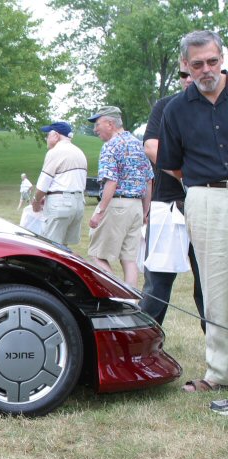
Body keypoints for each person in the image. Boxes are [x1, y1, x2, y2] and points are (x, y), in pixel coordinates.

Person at [159, 29, 228, 398]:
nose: (207, 70)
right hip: (206, 198)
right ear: (185, 65)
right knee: (216, 287)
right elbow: (172, 165)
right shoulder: (175, 109)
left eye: (213, 61)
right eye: (198, 64)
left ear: (222, 57)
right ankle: (219, 371)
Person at [140, 69, 204, 329]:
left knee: (212, 286)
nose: (189, 77)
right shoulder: (166, 106)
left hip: (210, 208)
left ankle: (219, 356)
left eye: (196, 70)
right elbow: (152, 146)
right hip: (169, 205)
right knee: (157, 285)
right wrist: (190, 175)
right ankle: (142, 351)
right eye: (184, 72)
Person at [86, 105, 152, 289]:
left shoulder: (110, 146)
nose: (95, 129)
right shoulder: (139, 145)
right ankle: (131, 302)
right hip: (137, 207)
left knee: (97, 256)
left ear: (110, 123)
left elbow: (111, 182)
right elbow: (149, 181)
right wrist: (145, 211)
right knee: (129, 259)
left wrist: (99, 211)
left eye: (97, 124)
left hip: (117, 205)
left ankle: (119, 294)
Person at [31, 121, 87, 246]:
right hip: (78, 204)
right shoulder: (79, 152)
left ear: (56, 135)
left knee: (51, 247)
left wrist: (36, 201)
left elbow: (43, 185)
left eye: (48, 135)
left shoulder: (55, 152)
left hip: (60, 204)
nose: (46, 138)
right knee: (64, 249)